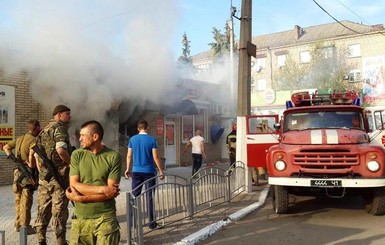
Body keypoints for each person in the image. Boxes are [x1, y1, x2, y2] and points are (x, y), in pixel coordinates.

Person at [66, 120, 122, 245]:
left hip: (105, 217)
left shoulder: (113, 157)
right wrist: (102, 189)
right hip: (80, 218)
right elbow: (74, 184)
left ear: (95, 137)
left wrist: (81, 198)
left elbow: (111, 193)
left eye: (83, 136)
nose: (79, 139)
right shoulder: (76, 155)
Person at [31, 105, 72, 245]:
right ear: (59, 115)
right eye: (67, 114)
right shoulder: (59, 128)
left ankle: (41, 239)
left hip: (45, 178)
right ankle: (60, 241)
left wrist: (42, 171)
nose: (70, 116)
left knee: (42, 208)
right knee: (59, 209)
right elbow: (61, 150)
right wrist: (72, 163)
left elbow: (35, 156)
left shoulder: (43, 131)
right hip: (59, 177)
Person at [124, 119, 165, 230]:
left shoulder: (132, 139)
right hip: (149, 172)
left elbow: (129, 156)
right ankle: (152, 223)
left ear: (138, 129)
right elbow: (155, 157)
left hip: (136, 172)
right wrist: (161, 170)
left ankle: (132, 223)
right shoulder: (152, 140)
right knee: (149, 197)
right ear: (147, 128)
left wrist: (127, 169)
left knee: (134, 196)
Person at [3, 119, 41, 234]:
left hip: (17, 173)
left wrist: (14, 159)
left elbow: (6, 147)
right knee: (26, 201)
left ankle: (17, 224)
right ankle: (25, 226)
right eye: (39, 127)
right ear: (37, 128)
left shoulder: (20, 138)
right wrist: (31, 164)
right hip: (27, 174)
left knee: (18, 200)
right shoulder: (33, 140)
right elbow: (32, 157)